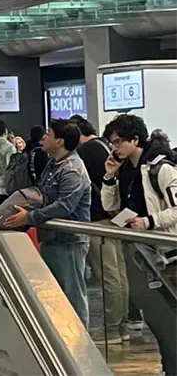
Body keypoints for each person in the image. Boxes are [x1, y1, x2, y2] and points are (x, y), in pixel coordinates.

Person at [102, 114, 177, 374]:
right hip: (142, 253)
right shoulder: (125, 169)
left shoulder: (161, 168)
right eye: (112, 142)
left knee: (169, 317)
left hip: (167, 252)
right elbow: (110, 207)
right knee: (158, 319)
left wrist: (150, 222)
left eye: (118, 141)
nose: (114, 147)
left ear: (135, 140)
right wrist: (109, 178)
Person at [4, 119, 91, 326]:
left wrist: (30, 217)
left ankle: (80, 345)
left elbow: (65, 206)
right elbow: (43, 194)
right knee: (57, 294)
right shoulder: (53, 164)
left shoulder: (72, 169)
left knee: (73, 295)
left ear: (60, 141)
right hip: (52, 239)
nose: (43, 138)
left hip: (69, 241)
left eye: (49, 134)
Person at [70, 114, 126, 343]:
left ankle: (113, 328)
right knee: (118, 273)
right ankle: (122, 325)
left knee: (108, 274)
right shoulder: (102, 146)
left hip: (97, 219)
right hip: (113, 218)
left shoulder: (85, 152)